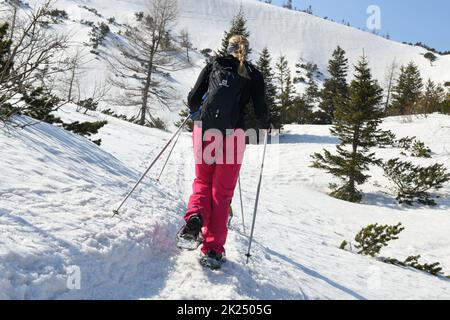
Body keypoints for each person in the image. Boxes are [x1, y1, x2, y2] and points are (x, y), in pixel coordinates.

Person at [178, 35, 270, 269]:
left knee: (202, 182)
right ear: (246, 51)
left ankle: (195, 218)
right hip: (234, 137)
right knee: (221, 194)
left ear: (227, 47)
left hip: (206, 131)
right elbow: (261, 111)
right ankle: (212, 250)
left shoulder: (214, 65)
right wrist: (266, 125)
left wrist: (196, 113)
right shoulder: (253, 74)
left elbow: (193, 99)